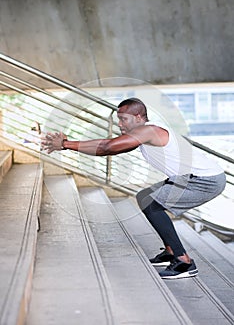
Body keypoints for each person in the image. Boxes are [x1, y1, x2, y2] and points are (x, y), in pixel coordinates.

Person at [41, 98, 226, 279]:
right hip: (192, 177)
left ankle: (183, 261)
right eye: (119, 119)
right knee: (146, 197)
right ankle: (170, 251)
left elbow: (107, 147)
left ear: (138, 117)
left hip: (205, 180)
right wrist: (67, 145)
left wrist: (65, 144)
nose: (120, 124)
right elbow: (108, 145)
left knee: (153, 204)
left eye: (124, 119)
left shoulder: (149, 131)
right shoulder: (142, 135)